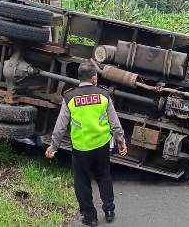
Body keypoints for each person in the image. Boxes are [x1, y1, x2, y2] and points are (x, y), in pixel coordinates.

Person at [45, 62, 128, 226]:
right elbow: (115, 123)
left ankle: (90, 217)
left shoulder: (69, 97)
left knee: (82, 182)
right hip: (101, 145)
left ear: (79, 77)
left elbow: (60, 126)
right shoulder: (104, 95)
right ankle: (109, 210)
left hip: (81, 148)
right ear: (93, 77)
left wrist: (53, 146)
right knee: (104, 176)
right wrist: (121, 141)